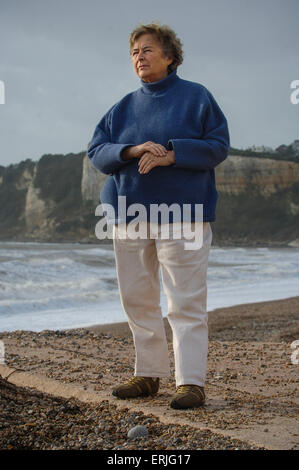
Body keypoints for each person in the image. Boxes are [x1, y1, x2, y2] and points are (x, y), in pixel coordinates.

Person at [87, 22, 230, 409]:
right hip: (128, 213)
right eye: (134, 52)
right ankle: (148, 375)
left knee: (185, 301)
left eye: (147, 50)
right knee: (137, 298)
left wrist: (172, 153)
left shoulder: (197, 98)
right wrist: (130, 150)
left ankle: (191, 383)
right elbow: (96, 151)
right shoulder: (123, 107)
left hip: (184, 214)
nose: (139, 57)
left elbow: (218, 145)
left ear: (169, 56)